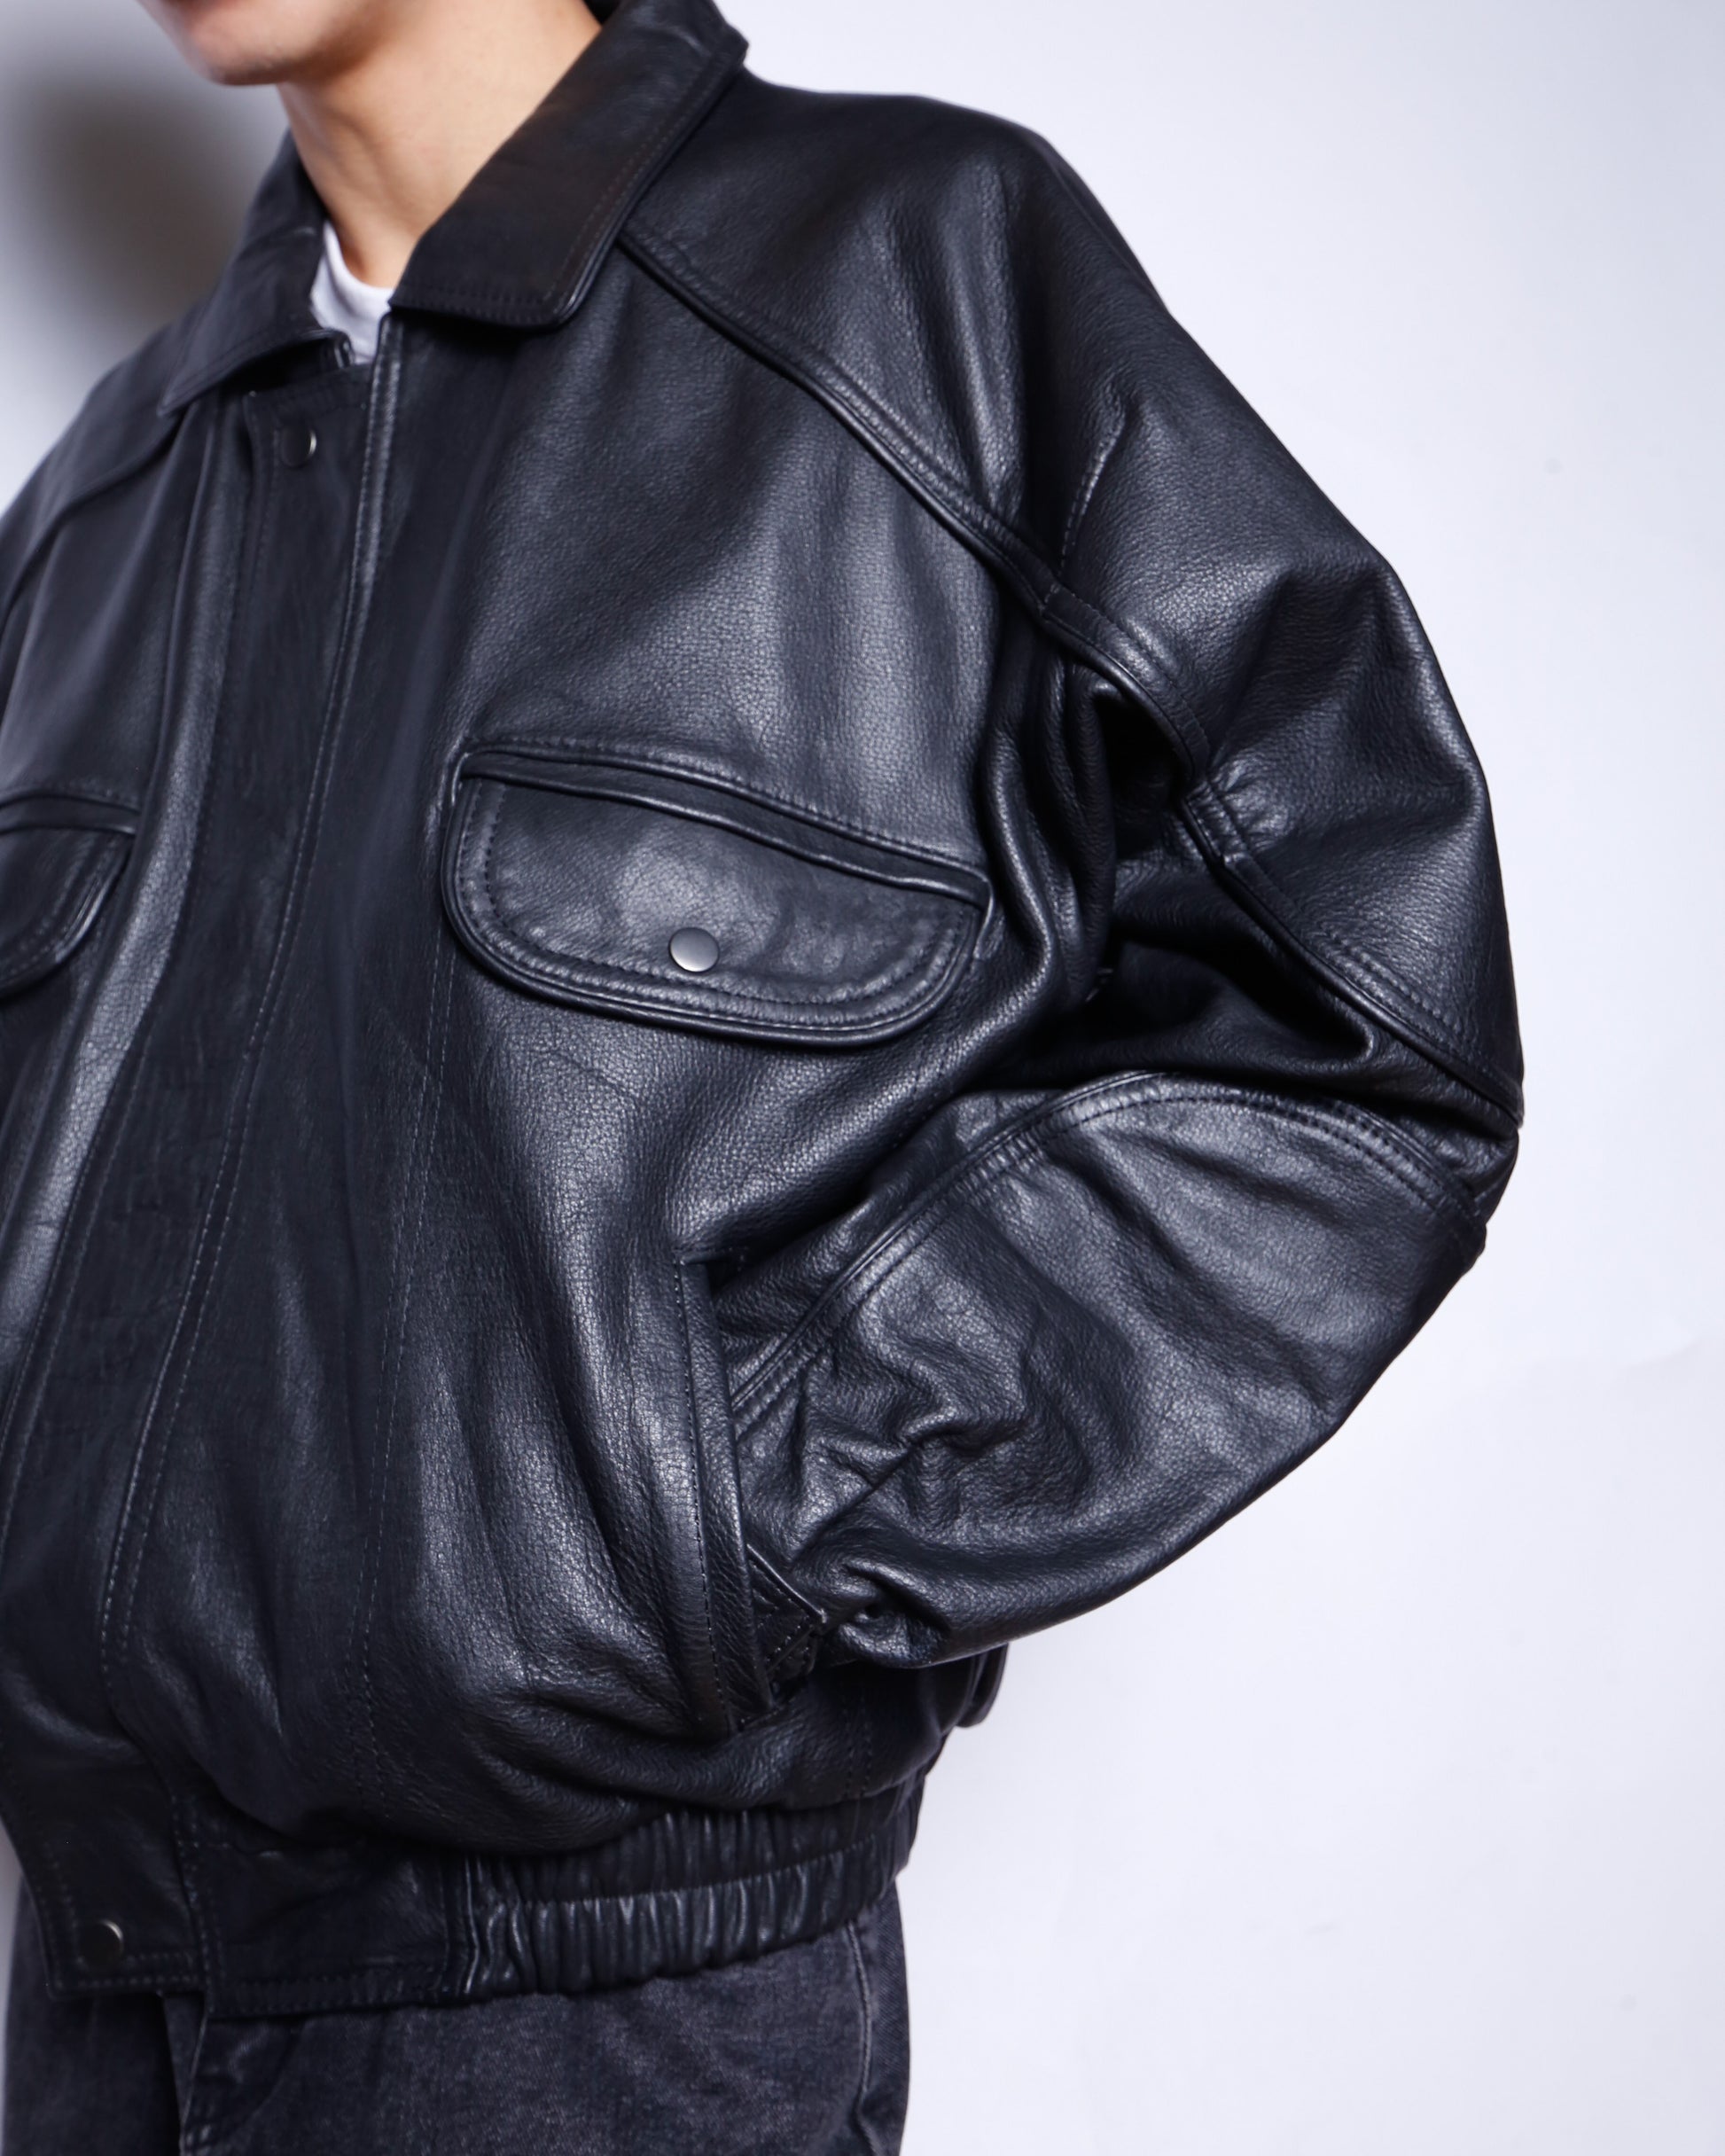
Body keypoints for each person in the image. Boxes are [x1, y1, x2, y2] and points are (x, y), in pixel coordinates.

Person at [0, 0, 1522, 2145]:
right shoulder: (108, 488)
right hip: (87, 1994)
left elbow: (1357, 998)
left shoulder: (907, 273)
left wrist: (747, 1501)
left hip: (586, 2020)